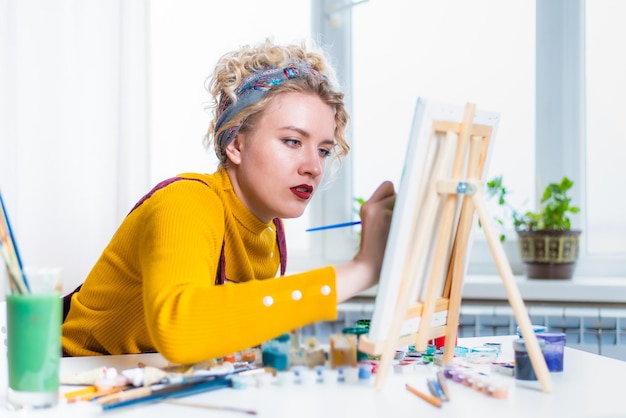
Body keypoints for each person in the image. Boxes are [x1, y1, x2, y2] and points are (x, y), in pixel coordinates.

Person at [61, 39, 396, 365]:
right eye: (293, 141)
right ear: (235, 144)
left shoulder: (269, 235)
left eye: (323, 150)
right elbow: (181, 328)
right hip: (65, 386)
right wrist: (362, 268)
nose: (314, 166)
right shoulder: (186, 201)